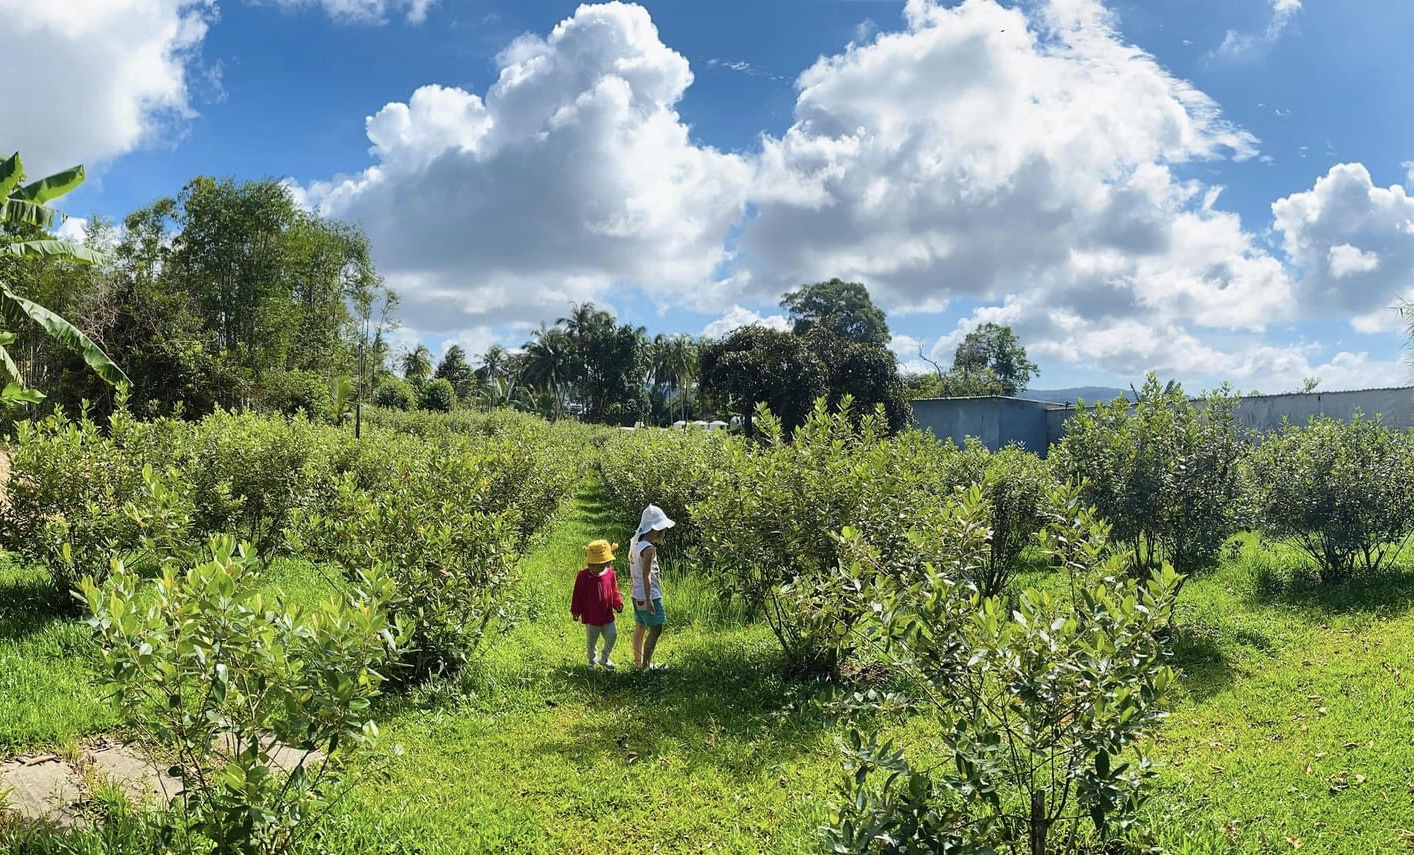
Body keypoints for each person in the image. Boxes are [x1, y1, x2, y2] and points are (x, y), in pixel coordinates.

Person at [629, 504, 675, 671]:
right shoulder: (648, 549)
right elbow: (646, 574)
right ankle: (646, 665)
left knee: (640, 626)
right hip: (649, 595)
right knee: (656, 628)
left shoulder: (635, 544)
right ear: (655, 529)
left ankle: (638, 662)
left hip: (636, 594)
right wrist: (649, 599)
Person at [570, 539, 624, 670]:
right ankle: (591, 662)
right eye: (592, 565)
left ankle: (604, 658)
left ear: (607, 563)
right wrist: (576, 610)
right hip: (591, 615)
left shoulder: (610, 574)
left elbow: (614, 590)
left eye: (599, 565)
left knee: (612, 635)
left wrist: (618, 603)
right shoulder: (583, 575)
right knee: (591, 641)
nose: (595, 568)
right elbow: (577, 594)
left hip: (607, 614)